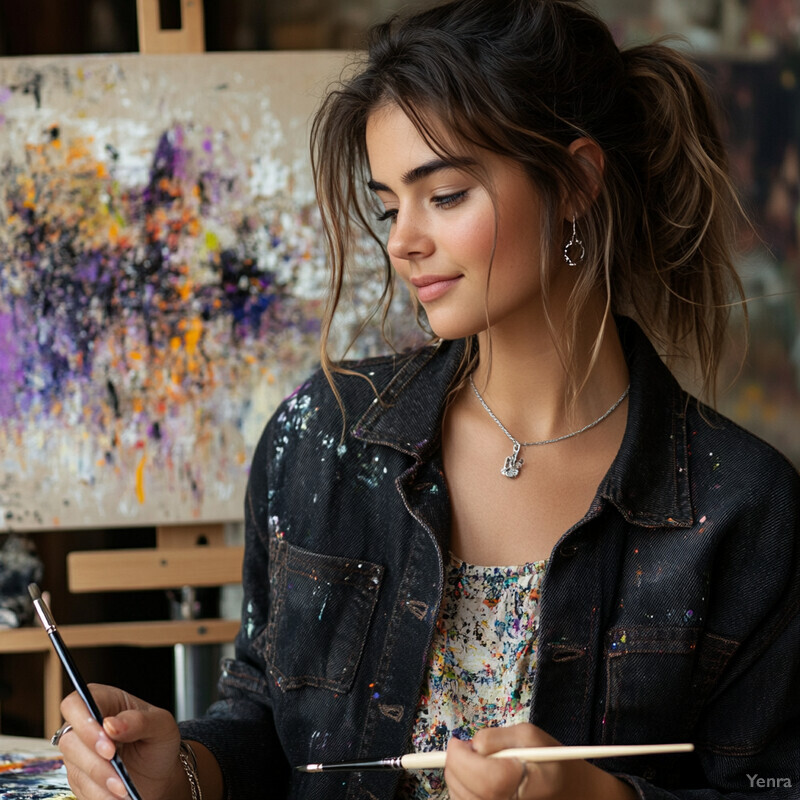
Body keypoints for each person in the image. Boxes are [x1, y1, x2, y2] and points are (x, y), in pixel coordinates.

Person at [56, 1, 800, 798]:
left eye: (443, 195)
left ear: (578, 181)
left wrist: (599, 796)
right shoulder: (323, 434)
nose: (402, 240)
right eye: (387, 205)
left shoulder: (740, 508)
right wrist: (182, 768)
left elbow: (770, 787)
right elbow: (268, 720)